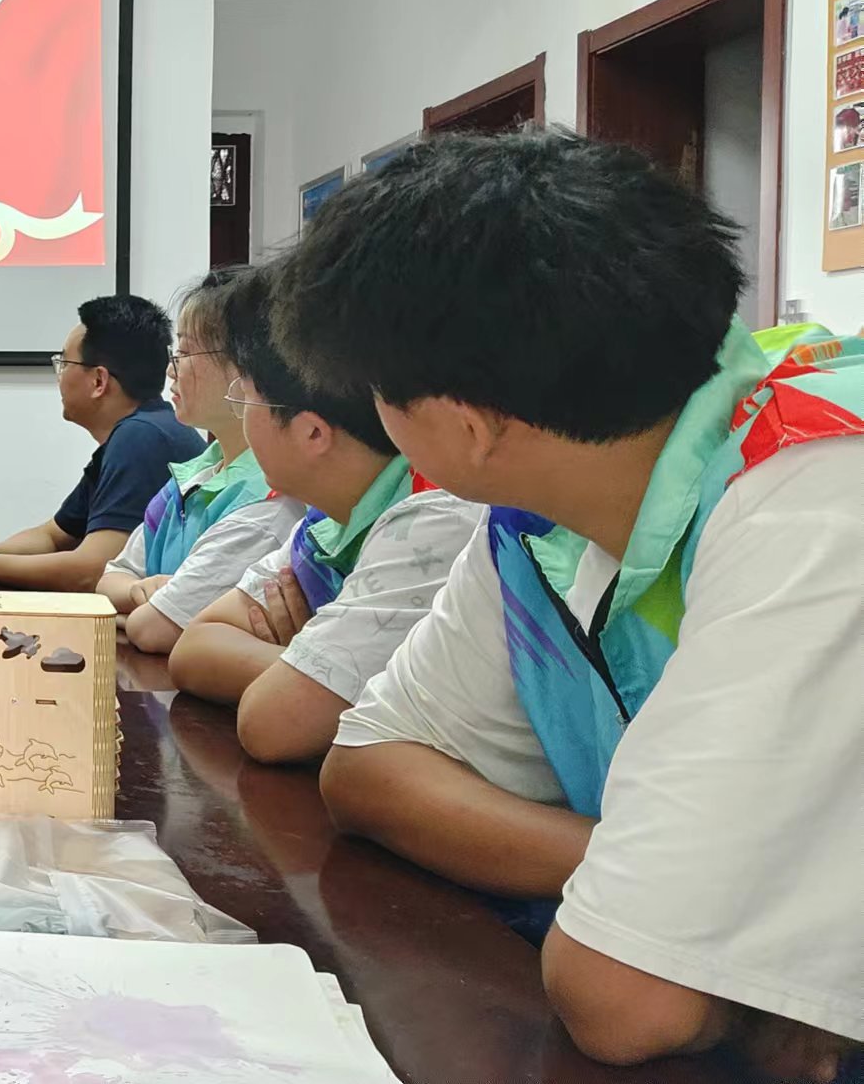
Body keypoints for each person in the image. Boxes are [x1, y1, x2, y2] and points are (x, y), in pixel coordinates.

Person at [279, 130, 864, 1078]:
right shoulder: (538, 518)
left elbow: (622, 1001)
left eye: (376, 391)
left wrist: (652, 921)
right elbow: (369, 769)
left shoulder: (815, 490)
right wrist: (645, 884)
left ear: (466, 425)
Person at [165, 265, 481, 765]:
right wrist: (308, 665)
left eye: (247, 397)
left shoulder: (432, 519)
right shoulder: (322, 525)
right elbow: (193, 649)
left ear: (312, 432)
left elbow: (273, 723)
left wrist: (312, 670)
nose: (243, 415)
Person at [0, 295, 204, 589]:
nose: (59, 377)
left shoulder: (143, 438)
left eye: (64, 363)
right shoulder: (141, 430)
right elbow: (53, 536)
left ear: (98, 381)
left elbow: (92, 571)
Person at [96, 267, 305, 653]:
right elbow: (110, 580)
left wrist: (132, 610)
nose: (171, 370)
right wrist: (140, 594)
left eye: (186, 352)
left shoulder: (269, 499)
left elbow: (156, 629)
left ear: (246, 368)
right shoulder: (194, 476)